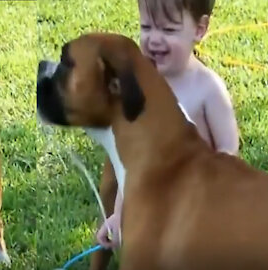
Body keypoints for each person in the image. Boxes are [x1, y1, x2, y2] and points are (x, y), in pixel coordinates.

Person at [95, 0, 240, 251]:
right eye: (146, 27)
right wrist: (120, 216)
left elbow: (229, 148)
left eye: (169, 30)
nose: (154, 39)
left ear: (199, 29)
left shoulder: (208, 89)